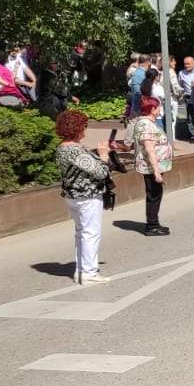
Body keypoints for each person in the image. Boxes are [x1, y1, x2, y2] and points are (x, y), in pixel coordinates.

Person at [54, 110, 112, 284]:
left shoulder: (62, 147)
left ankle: (81, 270)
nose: (85, 130)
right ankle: (89, 272)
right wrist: (104, 155)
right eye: (83, 126)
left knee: (81, 233)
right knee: (90, 233)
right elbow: (100, 172)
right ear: (76, 128)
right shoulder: (75, 150)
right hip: (87, 195)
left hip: (72, 195)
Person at [128, 97, 173, 236]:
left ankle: (154, 223)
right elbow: (150, 149)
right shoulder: (146, 125)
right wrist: (156, 172)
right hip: (151, 167)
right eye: (158, 107)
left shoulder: (147, 122)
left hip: (153, 166)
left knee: (156, 194)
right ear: (152, 109)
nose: (160, 109)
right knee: (154, 195)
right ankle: (152, 226)